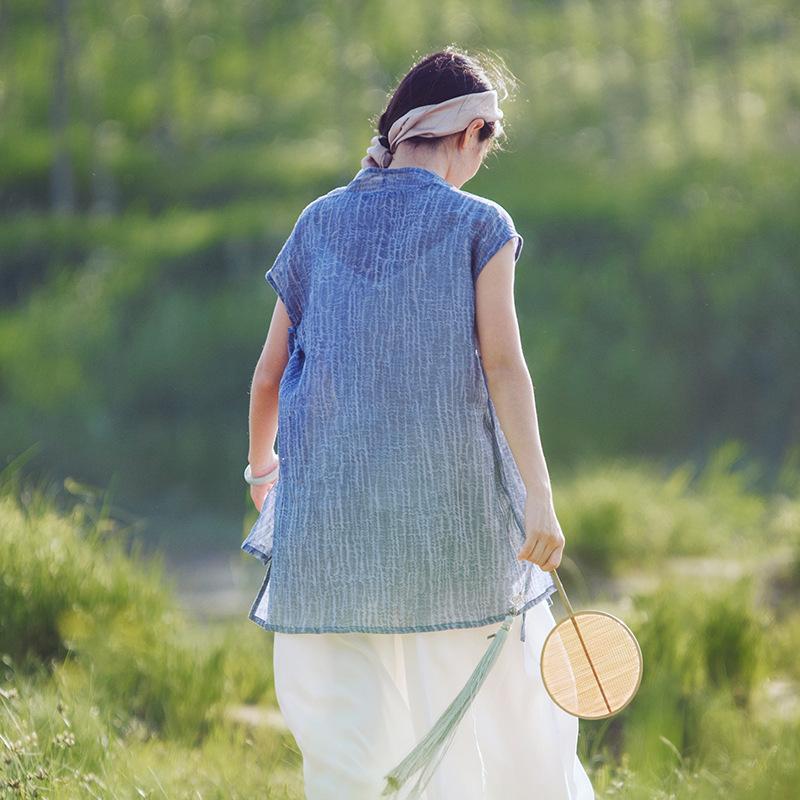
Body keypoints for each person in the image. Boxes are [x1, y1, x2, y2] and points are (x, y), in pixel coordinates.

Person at [241, 47, 595, 800]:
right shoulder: (479, 224)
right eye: (486, 148)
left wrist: (262, 472)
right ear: (471, 132)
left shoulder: (318, 221)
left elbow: (269, 374)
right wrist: (540, 493)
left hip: (327, 533)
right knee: (493, 733)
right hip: (451, 528)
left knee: (350, 751)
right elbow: (504, 368)